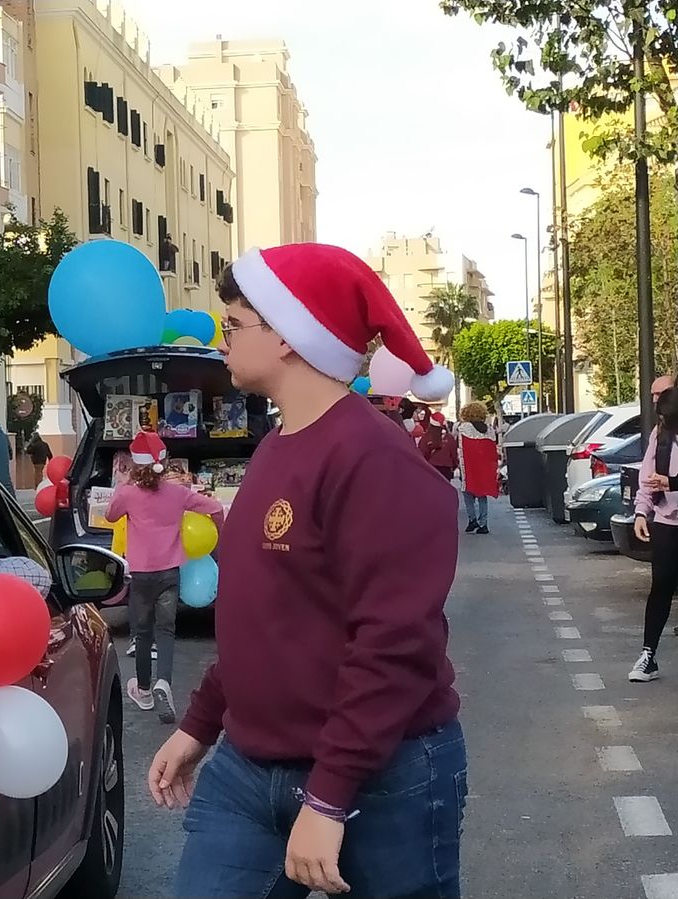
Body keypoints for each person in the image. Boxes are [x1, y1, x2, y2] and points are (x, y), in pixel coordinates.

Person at [149, 243, 464, 898]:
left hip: (383, 777)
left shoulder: (373, 458)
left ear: (289, 336)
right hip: (250, 768)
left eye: (235, 323)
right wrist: (200, 724)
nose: (223, 338)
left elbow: (394, 644)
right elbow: (264, 619)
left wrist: (328, 799)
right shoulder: (277, 446)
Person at [104, 430, 225, 722]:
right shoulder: (178, 493)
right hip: (170, 573)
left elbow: (109, 516)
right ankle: (164, 682)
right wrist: (221, 533)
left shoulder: (128, 493)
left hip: (142, 576)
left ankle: (143, 689)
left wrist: (125, 488)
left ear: (134, 463)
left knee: (142, 632)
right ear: (165, 461)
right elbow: (216, 508)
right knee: (166, 631)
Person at [628, 385, 678, 683]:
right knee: (661, 586)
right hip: (666, 522)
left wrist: (672, 483)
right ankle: (648, 655)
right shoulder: (660, 437)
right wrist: (640, 512)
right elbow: (648, 479)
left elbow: (668, 481)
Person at [456, 401, 501, 534]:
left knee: (467, 492)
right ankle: (484, 524)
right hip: (485, 467)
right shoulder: (489, 430)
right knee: (482, 494)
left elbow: (461, 448)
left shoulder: (463, 428)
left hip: (469, 466)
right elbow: (492, 450)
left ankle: (472, 519)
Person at [419, 411, 458, 481]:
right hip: (446, 469)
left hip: (431, 467)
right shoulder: (449, 437)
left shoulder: (426, 437)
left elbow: (422, 453)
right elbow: (454, 454)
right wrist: (454, 466)